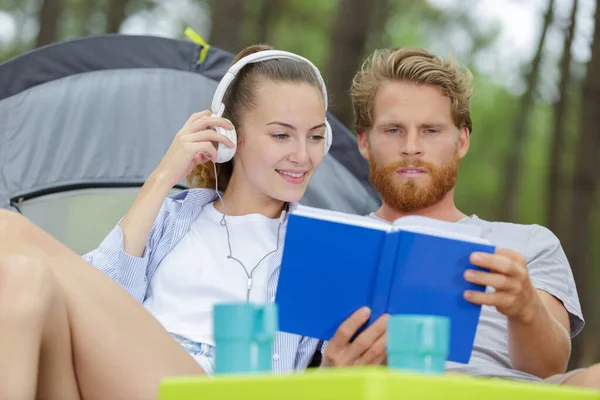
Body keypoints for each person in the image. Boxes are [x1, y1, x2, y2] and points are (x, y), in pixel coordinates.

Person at [0, 44, 385, 400]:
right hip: (126, 380)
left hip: (226, 390)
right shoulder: (174, 216)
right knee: (24, 281)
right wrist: (163, 176)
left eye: (315, 137)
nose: (302, 155)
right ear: (228, 135)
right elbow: (98, 305)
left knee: (9, 229)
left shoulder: (323, 248)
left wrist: (332, 372)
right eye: (282, 135)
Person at [344, 46, 600, 388]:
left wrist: (525, 308)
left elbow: (549, 367)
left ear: (461, 141)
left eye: (431, 131)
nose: (411, 147)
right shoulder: (335, 242)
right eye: (393, 130)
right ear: (364, 142)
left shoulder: (529, 244)